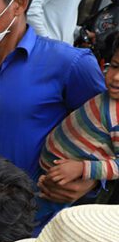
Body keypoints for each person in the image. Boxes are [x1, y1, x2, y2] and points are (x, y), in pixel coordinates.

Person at [0, 0, 105, 229]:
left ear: (18, 4)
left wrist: (91, 181)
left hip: (30, 223)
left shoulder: (69, 64)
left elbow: (108, 128)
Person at [40, 32, 119, 208]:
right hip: (50, 173)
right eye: (114, 66)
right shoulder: (108, 97)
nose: (115, 77)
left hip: (64, 185)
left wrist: (81, 168)